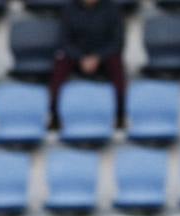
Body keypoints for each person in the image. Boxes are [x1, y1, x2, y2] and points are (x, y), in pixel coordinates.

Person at [49, 0, 127, 131]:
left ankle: (120, 116)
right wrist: (81, 58)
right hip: (77, 56)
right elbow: (64, 41)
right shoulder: (69, 9)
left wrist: (98, 57)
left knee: (117, 64)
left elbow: (118, 41)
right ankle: (54, 116)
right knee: (60, 64)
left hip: (103, 56)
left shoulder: (112, 8)